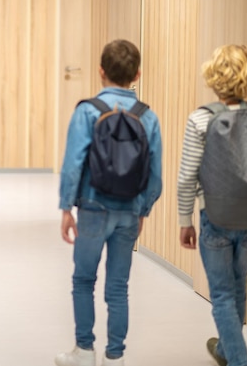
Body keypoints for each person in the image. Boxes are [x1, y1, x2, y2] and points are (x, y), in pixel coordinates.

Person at [56, 40, 163, 366]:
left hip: (92, 206)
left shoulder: (87, 110)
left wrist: (66, 208)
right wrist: (142, 209)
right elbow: (155, 173)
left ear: (101, 71)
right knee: (118, 286)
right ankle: (115, 357)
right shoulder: (148, 117)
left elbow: (74, 163)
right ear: (138, 74)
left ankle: (84, 352)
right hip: (128, 210)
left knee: (83, 279)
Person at [177, 44, 247, 366]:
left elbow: (186, 177)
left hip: (216, 218)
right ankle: (225, 349)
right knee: (239, 285)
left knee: (221, 293)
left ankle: (238, 360)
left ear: (213, 77)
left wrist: (185, 220)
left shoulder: (200, 119)